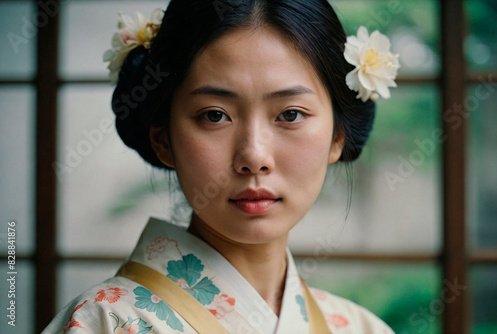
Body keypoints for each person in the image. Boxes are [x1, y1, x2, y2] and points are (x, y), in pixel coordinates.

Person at [43, 0, 399, 333]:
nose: (255, 156)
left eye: (290, 114)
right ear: (163, 139)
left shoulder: (360, 327)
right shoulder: (106, 321)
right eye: (214, 115)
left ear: (337, 136)